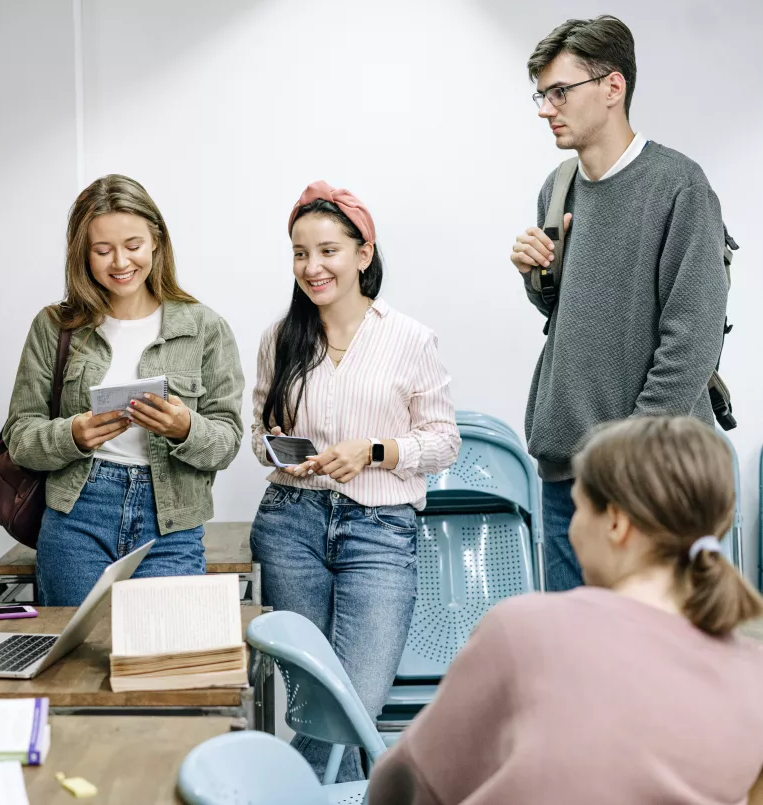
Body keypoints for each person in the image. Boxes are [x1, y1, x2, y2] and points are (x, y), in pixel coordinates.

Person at [367, 416, 763, 805]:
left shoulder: (525, 629)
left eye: (578, 510)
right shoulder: (752, 668)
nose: (571, 530)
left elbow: (407, 783)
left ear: (616, 524)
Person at [508, 15, 729, 591]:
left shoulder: (679, 186)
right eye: (541, 93)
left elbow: (692, 342)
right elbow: (570, 316)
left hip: (652, 478)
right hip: (567, 477)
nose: (545, 108)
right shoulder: (556, 189)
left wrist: (625, 459)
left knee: (659, 664)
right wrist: (538, 278)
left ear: (612, 87)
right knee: (574, 664)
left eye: (560, 91)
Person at [249, 180, 460, 782]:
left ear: (363, 254)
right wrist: (280, 452)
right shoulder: (280, 339)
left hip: (380, 533)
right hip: (290, 526)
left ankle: (288, 792)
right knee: (312, 705)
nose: (311, 267)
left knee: (352, 705)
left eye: (327, 251)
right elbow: (257, 437)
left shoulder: (411, 339)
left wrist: (375, 450)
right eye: (299, 253)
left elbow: (444, 442)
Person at [4, 174, 245, 606]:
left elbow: (227, 443)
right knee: (74, 664)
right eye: (102, 250)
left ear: (156, 241)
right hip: (78, 515)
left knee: (161, 661)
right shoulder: (54, 327)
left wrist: (185, 427)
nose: (120, 262)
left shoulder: (204, 328)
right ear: (83, 254)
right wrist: (72, 435)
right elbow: (20, 437)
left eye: (133, 245)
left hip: (171, 522)